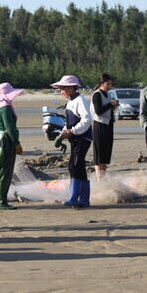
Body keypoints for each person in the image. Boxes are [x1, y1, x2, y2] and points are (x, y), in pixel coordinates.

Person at [51, 75, 93, 208]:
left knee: (74, 165)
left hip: (83, 138)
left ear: (71, 88)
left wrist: (73, 131)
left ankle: (75, 198)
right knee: (77, 166)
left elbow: (87, 120)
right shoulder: (70, 102)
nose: (61, 91)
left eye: (62, 88)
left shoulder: (81, 100)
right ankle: (82, 199)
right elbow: (68, 122)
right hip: (75, 138)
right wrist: (63, 133)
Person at [0, 82, 25, 210]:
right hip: (5, 144)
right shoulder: (6, 107)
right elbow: (9, 127)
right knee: (5, 173)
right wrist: (16, 143)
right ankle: (2, 202)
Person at [90, 73, 118, 181]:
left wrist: (114, 106)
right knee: (99, 152)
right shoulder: (97, 94)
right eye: (107, 84)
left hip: (108, 124)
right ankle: (99, 179)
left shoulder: (108, 94)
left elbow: (107, 109)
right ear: (102, 83)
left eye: (111, 84)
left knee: (106, 152)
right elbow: (98, 111)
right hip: (99, 124)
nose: (109, 86)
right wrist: (111, 104)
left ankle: (103, 177)